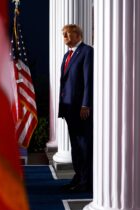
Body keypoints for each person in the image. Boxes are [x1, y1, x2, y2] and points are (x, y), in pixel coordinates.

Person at [58, 24, 93, 192]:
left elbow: (89, 81)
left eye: (67, 34)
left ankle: (87, 181)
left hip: (81, 109)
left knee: (84, 146)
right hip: (69, 109)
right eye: (63, 34)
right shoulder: (67, 55)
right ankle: (78, 176)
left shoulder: (87, 52)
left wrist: (86, 104)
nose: (64, 37)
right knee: (76, 146)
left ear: (78, 35)